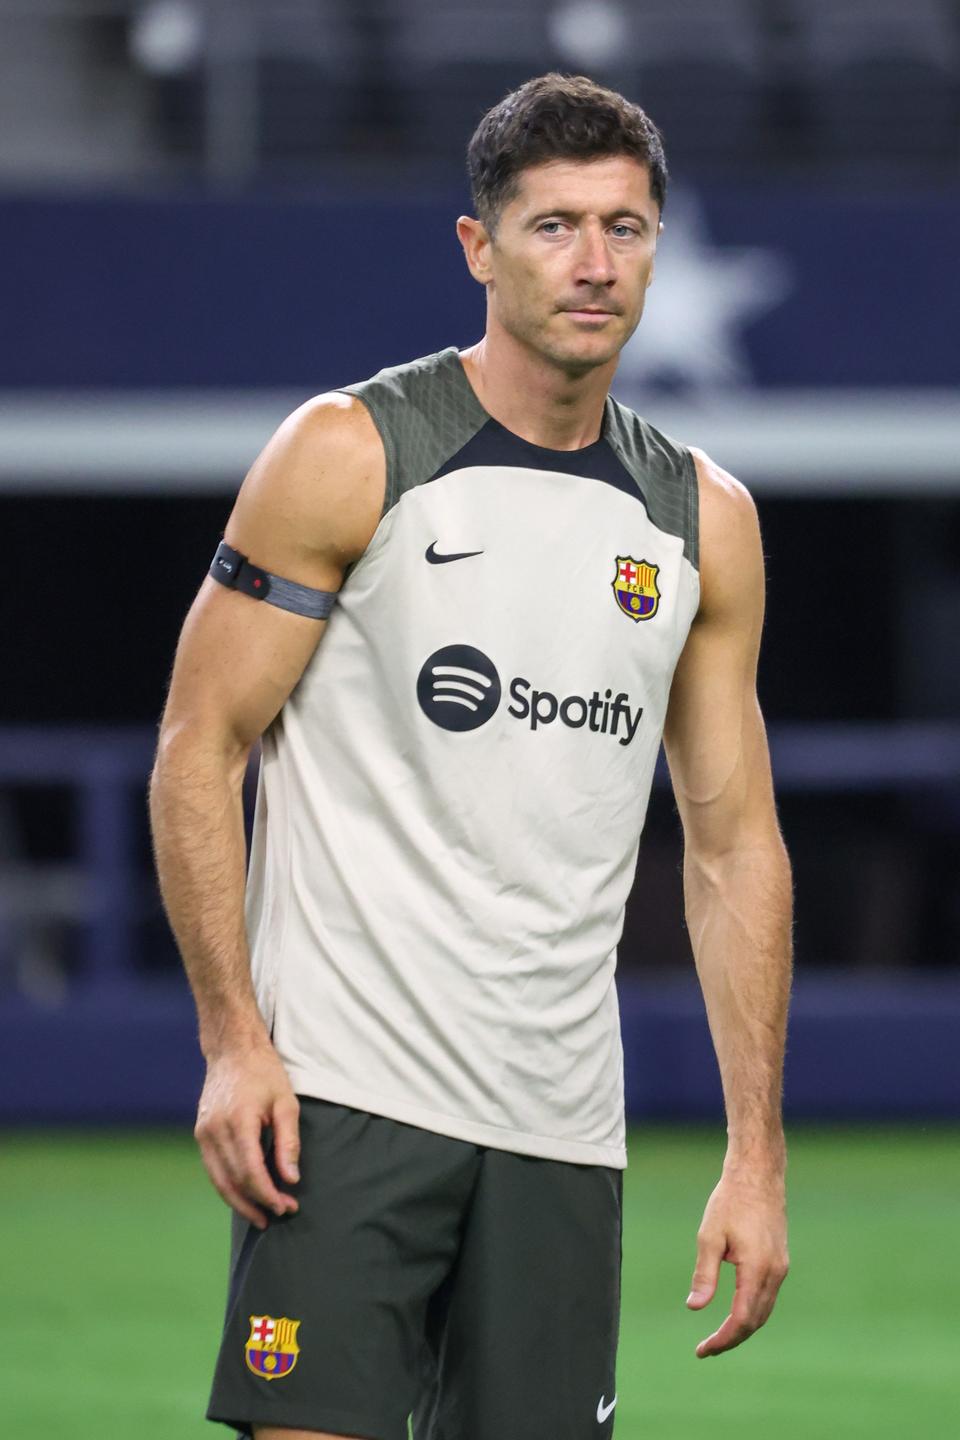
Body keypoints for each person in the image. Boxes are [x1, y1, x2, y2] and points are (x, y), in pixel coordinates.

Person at [149, 71, 792, 1440]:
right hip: (342, 1102)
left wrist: (757, 1152)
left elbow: (734, 845)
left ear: (660, 251)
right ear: (476, 248)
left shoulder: (700, 520)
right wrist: (230, 1040)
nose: (594, 263)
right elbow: (199, 745)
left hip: (562, 1126)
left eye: (625, 228)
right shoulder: (348, 455)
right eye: (554, 226)